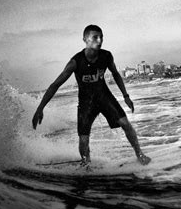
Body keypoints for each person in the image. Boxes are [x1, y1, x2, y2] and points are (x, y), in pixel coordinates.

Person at [32, 25, 151, 167]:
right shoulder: (76, 62)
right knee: (83, 139)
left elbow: (116, 74)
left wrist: (126, 96)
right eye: (95, 37)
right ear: (85, 39)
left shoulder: (106, 56)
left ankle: (140, 155)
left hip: (104, 97)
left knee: (126, 124)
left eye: (101, 37)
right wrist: (40, 108)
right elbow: (55, 85)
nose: (100, 40)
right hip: (86, 103)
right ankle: (86, 164)